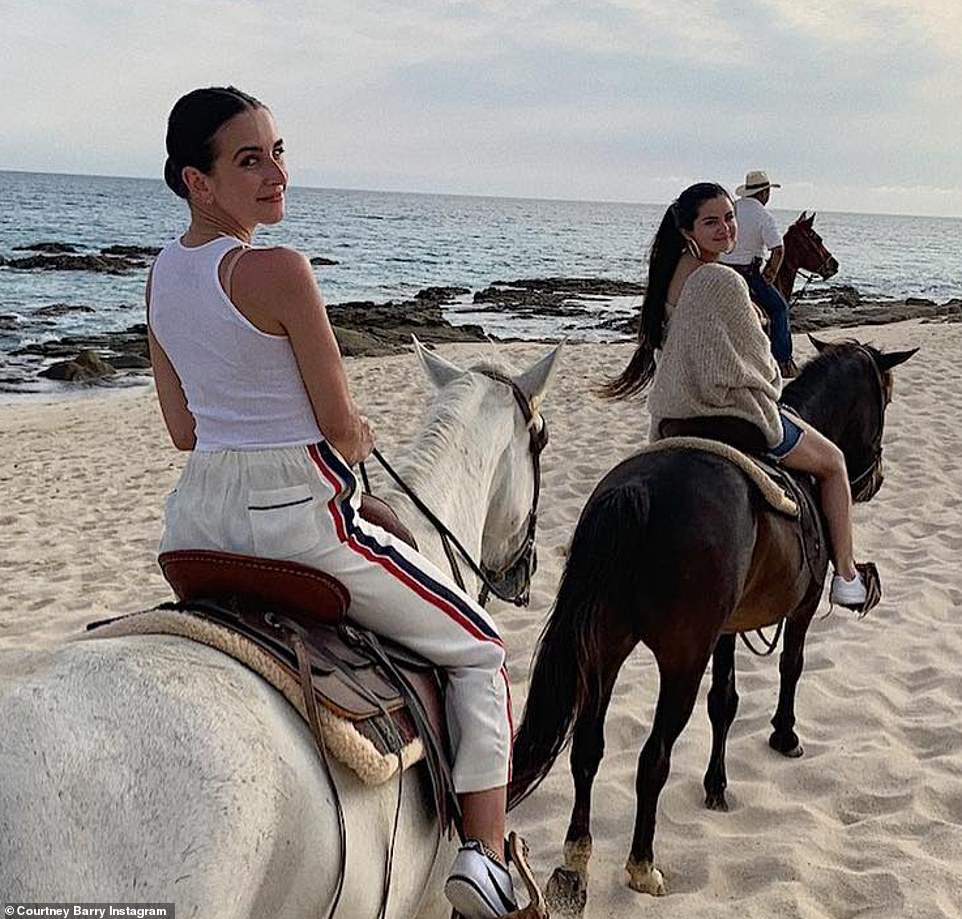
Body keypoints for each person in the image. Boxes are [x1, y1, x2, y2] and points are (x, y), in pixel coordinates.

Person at [147, 86, 516, 919]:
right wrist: (353, 434)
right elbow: (341, 427)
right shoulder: (278, 269)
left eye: (279, 152)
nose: (276, 173)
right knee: (480, 649)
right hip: (298, 525)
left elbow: (180, 428)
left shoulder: (160, 277)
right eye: (249, 159)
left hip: (197, 525)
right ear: (197, 180)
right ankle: (487, 858)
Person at [603, 181, 868, 608]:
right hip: (727, 409)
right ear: (689, 228)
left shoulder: (673, 274)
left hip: (674, 416)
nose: (725, 228)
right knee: (834, 463)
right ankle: (847, 577)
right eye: (711, 222)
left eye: (729, 218)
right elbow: (755, 361)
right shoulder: (721, 279)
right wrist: (770, 382)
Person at [720, 170, 797, 377]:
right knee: (779, 309)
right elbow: (778, 249)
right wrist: (770, 274)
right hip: (748, 275)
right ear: (764, 193)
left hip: (719, 271)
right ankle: (782, 361)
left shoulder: (731, 208)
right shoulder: (763, 216)